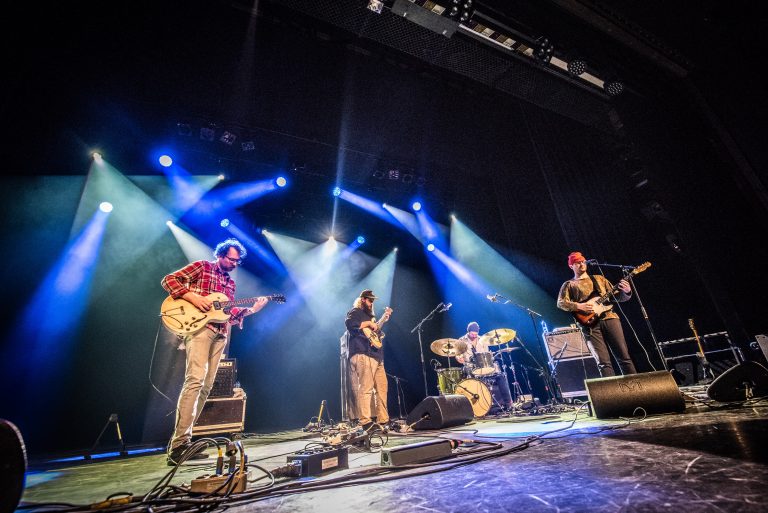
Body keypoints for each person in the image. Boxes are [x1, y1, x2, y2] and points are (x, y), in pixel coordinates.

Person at [161, 238, 268, 465]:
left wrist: (252, 310)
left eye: (238, 261)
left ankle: (184, 443)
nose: (235, 264)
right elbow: (169, 280)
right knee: (195, 381)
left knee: (206, 386)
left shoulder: (230, 284)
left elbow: (229, 313)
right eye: (231, 259)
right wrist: (193, 297)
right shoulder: (203, 267)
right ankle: (178, 444)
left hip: (221, 333)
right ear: (220, 255)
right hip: (200, 330)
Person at [556, 251, 637, 377]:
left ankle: (636, 391)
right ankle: (612, 395)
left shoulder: (599, 279)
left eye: (582, 261)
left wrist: (626, 291)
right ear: (571, 266)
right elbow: (561, 303)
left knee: (624, 357)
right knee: (603, 362)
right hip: (590, 325)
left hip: (610, 318)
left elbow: (616, 298)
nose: (581, 264)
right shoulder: (569, 284)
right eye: (577, 263)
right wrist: (578, 305)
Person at [344, 289, 392, 432]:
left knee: (382, 388)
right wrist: (368, 324)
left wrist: (384, 318)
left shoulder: (370, 317)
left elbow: (375, 332)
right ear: (363, 299)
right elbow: (350, 324)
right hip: (363, 352)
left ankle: (383, 420)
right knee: (366, 388)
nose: (372, 303)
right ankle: (365, 421)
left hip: (376, 356)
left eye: (373, 301)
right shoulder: (356, 311)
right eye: (370, 300)